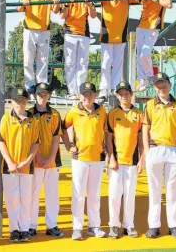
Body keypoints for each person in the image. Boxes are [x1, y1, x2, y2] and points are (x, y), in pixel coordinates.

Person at [142, 72, 176, 239]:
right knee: (154, 190)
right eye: (157, 84)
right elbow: (145, 129)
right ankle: (154, 226)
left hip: (174, 150)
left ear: (169, 84)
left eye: (163, 84)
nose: (160, 87)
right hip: (155, 148)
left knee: (173, 191)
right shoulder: (150, 105)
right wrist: (147, 152)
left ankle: (173, 225)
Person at [62, 82, 107, 240]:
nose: (87, 97)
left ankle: (94, 226)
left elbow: (107, 131)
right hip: (79, 158)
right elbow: (62, 128)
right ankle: (77, 227)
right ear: (79, 96)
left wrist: (106, 149)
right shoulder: (73, 112)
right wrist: (68, 146)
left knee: (95, 194)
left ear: (95, 95)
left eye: (90, 94)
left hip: (97, 158)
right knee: (78, 194)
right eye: (84, 94)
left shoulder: (102, 112)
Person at [0, 88, 39, 242]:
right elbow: (1, 142)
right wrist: (10, 162)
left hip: (27, 167)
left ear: (27, 102)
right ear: (12, 101)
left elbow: (35, 144)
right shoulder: (6, 119)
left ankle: (25, 229)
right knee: (12, 199)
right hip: (10, 167)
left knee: (26, 199)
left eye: (23, 101)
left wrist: (27, 161)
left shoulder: (33, 120)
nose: (20, 104)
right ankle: (14, 229)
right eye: (17, 101)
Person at [105, 81, 144, 238]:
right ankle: (114, 225)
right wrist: (111, 158)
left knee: (129, 195)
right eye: (120, 94)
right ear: (117, 95)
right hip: (116, 162)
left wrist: (142, 160)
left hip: (132, 161)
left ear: (131, 94)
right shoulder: (112, 114)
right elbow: (108, 138)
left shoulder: (139, 114)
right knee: (114, 194)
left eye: (126, 93)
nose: (123, 96)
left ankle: (129, 225)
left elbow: (141, 140)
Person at [95, 0, 139, 100]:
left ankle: (115, 87)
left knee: (118, 63)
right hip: (107, 32)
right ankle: (104, 88)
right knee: (106, 62)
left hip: (121, 33)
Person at [17, 0, 60, 93]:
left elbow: (56, 11)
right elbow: (19, 9)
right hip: (30, 29)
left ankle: (41, 83)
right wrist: (22, 2)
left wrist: (56, 3)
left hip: (44, 30)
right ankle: (29, 84)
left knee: (43, 59)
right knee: (28, 58)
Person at [28, 83, 63, 238]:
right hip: (34, 161)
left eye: (45, 95)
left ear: (49, 95)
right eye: (40, 95)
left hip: (52, 162)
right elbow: (28, 139)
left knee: (52, 194)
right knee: (33, 194)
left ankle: (52, 225)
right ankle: (31, 225)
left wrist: (49, 159)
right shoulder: (29, 113)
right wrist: (38, 157)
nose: (43, 98)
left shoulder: (55, 114)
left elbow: (56, 138)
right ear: (34, 96)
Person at [60, 0, 97, 99]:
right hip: (70, 33)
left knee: (82, 63)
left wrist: (88, 4)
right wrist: (66, 4)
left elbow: (93, 15)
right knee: (70, 63)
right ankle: (72, 91)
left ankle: (81, 89)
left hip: (84, 34)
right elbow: (62, 16)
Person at [136, 0, 172, 91]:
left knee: (145, 53)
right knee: (139, 54)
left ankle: (150, 75)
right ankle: (142, 80)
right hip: (141, 25)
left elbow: (168, 4)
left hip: (153, 27)